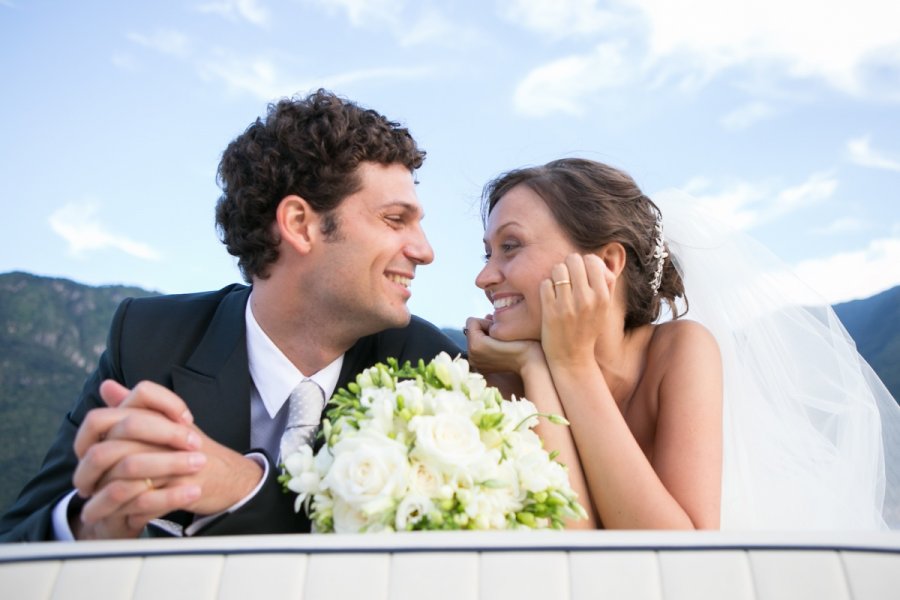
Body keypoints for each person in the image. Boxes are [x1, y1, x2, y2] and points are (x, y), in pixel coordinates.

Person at [0, 90, 461, 542]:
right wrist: (87, 524)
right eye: (396, 220)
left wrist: (240, 487)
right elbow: (18, 539)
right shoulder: (148, 341)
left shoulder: (429, 370)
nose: (425, 251)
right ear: (300, 224)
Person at [466, 157, 900, 530]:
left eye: (511, 246)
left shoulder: (680, 351)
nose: (484, 278)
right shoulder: (500, 374)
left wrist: (572, 366)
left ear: (605, 262)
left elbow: (684, 555)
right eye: (488, 253)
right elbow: (569, 543)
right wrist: (538, 368)